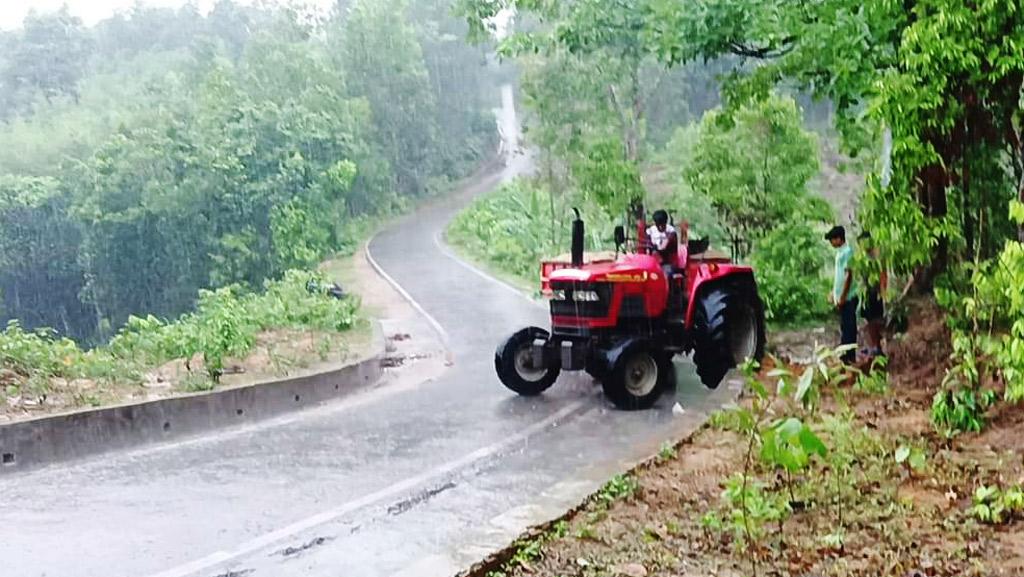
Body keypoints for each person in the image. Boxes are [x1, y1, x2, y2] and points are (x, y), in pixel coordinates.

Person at [825, 225, 858, 364]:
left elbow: (848, 276)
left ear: (839, 239)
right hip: (842, 298)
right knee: (844, 327)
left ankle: (850, 356)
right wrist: (834, 293)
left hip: (849, 297)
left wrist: (843, 296)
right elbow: (838, 277)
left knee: (850, 327)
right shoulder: (839, 253)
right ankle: (845, 354)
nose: (831, 243)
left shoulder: (848, 252)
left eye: (832, 239)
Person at [858, 231, 888, 358]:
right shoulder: (863, 257)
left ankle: (878, 346)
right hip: (866, 291)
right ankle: (872, 346)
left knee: (876, 319)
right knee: (868, 318)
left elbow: (883, 274)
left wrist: (883, 291)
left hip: (875, 291)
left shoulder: (877, 256)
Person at [646, 210, 678, 279]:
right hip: (653, 261)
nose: (660, 227)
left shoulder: (671, 231)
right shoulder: (650, 231)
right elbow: (648, 248)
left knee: (664, 275)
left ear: (666, 222)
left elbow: (663, 246)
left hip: (668, 262)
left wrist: (656, 247)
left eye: (662, 224)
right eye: (658, 224)